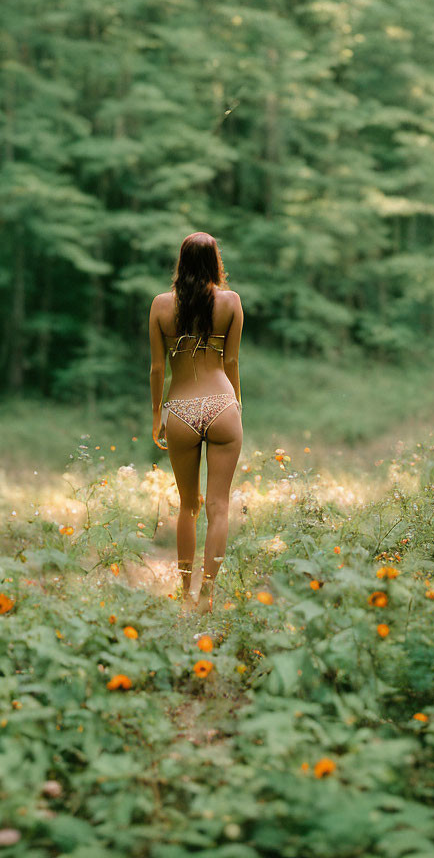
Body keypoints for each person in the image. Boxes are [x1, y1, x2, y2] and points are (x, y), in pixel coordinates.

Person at [148, 232, 244, 612]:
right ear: (215, 262)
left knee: (188, 505)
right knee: (218, 507)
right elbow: (232, 362)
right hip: (222, 404)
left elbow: (157, 368)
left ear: (181, 262)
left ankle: (185, 596)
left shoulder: (159, 306)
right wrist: (237, 405)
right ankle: (208, 596)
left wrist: (157, 415)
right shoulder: (231, 302)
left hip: (182, 410)